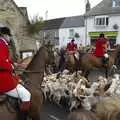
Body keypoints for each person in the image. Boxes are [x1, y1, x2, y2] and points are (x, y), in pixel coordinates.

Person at [0, 27, 31, 120]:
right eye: (9, 36)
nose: (10, 38)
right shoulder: (1, 44)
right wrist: (12, 67)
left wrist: (14, 63)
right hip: (3, 79)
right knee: (26, 95)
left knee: (20, 83)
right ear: (4, 35)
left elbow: (5, 59)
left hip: (5, 76)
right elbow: (1, 62)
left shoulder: (2, 44)